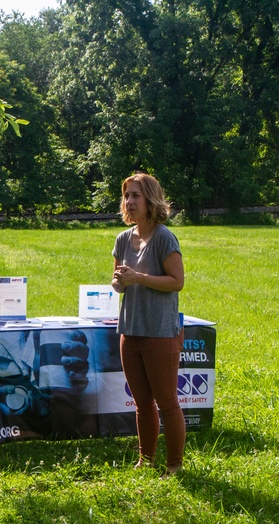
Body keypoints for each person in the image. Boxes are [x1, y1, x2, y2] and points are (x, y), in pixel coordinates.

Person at [111, 172, 186, 477]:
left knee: (167, 402)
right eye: (126, 195)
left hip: (159, 332)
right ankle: (146, 459)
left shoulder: (164, 237)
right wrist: (119, 281)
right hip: (130, 330)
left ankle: (174, 466)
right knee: (141, 402)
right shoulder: (122, 240)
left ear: (150, 199)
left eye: (135, 195)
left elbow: (177, 282)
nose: (129, 201)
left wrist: (139, 277)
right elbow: (118, 285)